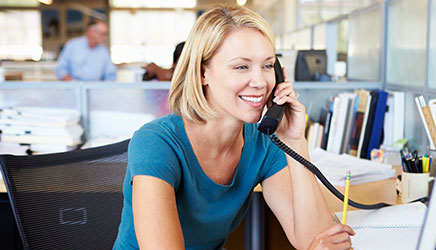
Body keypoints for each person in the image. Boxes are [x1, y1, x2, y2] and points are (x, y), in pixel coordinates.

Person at [113, 4, 354, 250]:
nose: (260, 82)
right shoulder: (157, 143)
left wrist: (295, 142)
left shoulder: (264, 144)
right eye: (242, 67)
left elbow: (320, 240)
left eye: (268, 66)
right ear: (202, 73)